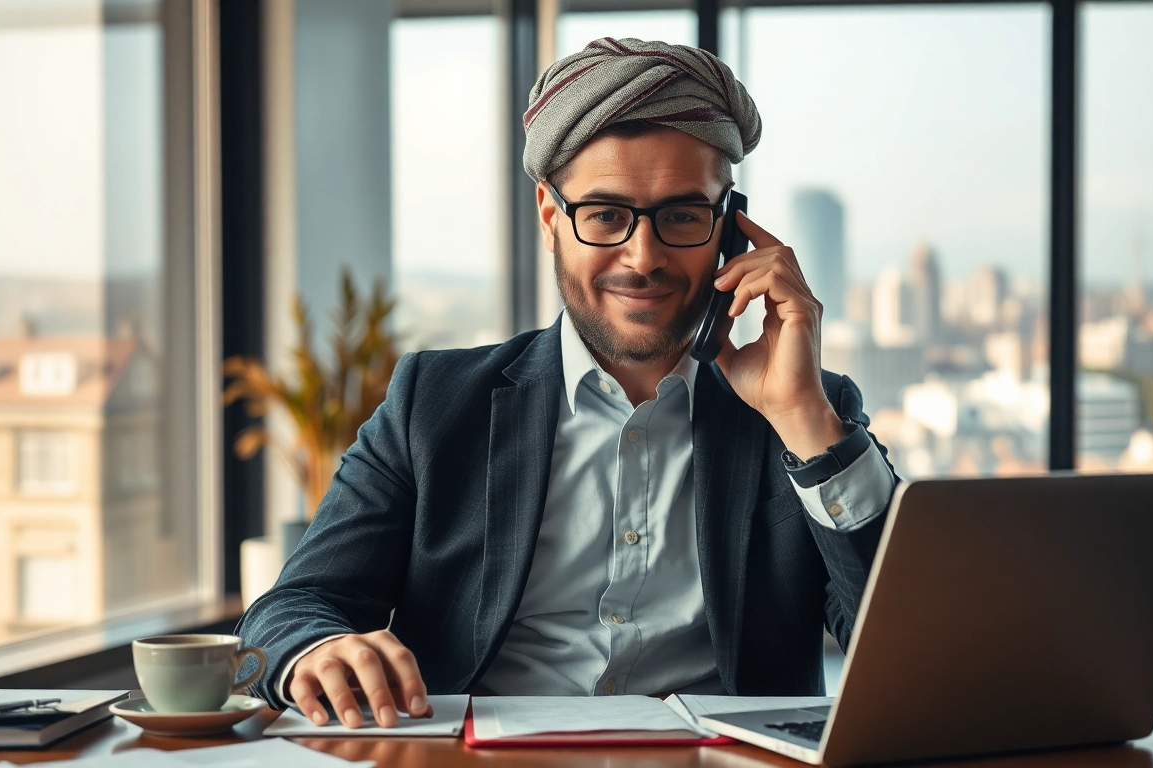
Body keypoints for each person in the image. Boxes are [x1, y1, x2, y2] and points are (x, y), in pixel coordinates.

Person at [237, 37, 899, 729]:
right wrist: (320, 647)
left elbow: (910, 642)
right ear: (551, 217)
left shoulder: (812, 414)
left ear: (730, 230)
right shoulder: (433, 403)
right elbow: (291, 607)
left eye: (680, 215)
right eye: (606, 215)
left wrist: (802, 419)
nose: (642, 258)